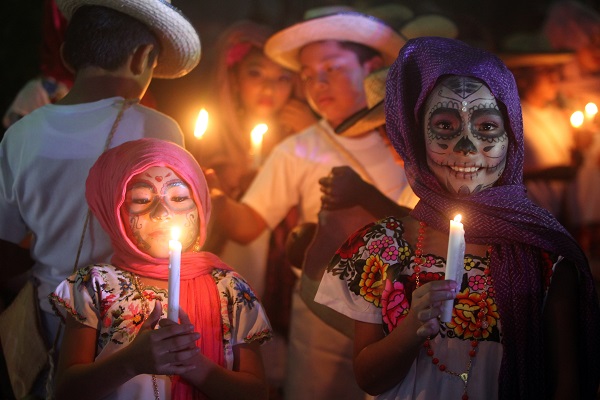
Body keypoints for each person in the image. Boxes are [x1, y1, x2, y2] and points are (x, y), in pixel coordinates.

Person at [315, 36, 600, 399]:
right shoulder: (384, 246)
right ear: (415, 138)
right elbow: (369, 378)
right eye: (446, 126)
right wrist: (409, 331)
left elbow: (567, 385)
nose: (466, 147)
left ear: (511, 136)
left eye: (486, 127)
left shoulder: (544, 253)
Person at [210, 11, 417, 400]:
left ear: (371, 67)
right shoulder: (299, 148)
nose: (316, 83)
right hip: (321, 313)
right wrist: (218, 201)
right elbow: (251, 223)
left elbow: (428, 226)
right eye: (306, 74)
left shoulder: (404, 142)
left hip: (397, 311)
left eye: (332, 68)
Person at [0, 0, 200, 395]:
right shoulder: (158, 129)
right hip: (131, 329)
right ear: (144, 57)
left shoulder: (20, 135)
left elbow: (5, 249)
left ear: (67, 52)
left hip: (46, 322)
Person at [48, 138, 271, 400]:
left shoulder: (231, 289)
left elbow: (256, 393)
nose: (162, 212)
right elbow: (65, 391)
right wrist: (130, 362)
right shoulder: (94, 286)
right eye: (142, 199)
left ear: (200, 205)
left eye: (178, 197)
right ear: (115, 211)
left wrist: (193, 363)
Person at [500, 44, 581, 226]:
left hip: (561, 213)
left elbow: (571, 165)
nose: (554, 78)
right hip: (526, 215)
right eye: (545, 71)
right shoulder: (511, 116)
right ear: (523, 78)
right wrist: (553, 172)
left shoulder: (560, 116)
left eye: (555, 70)